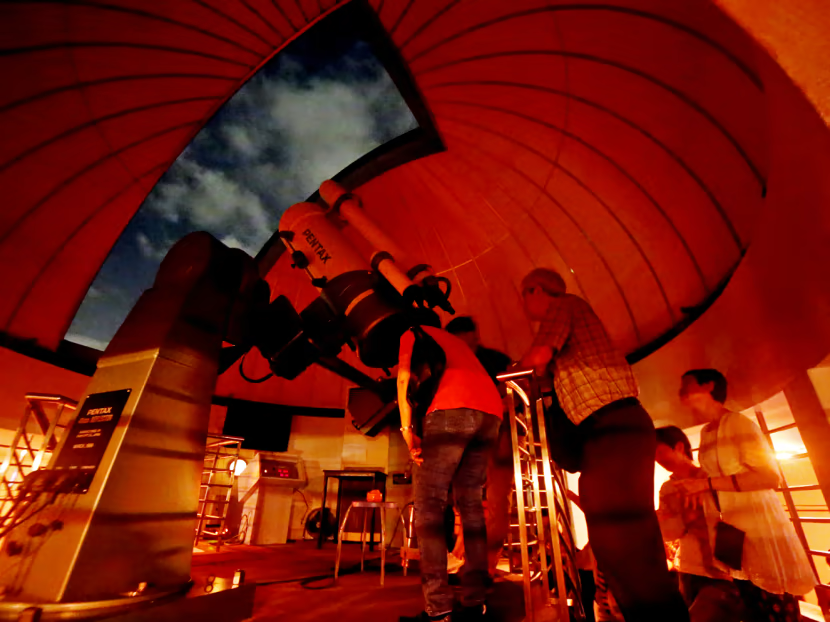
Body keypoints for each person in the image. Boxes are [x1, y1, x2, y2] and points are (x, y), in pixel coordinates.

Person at [517, 267, 689, 621]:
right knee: (613, 543)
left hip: (614, 424)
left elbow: (537, 358)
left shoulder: (565, 305)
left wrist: (511, 374)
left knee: (625, 537)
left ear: (536, 290)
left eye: (524, 295)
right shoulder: (570, 356)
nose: (524, 304)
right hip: (603, 432)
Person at [673, 369, 816, 622]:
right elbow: (712, 483)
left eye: (687, 385)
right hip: (731, 529)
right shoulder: (706, 433)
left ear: (709, 386)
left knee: (774, 606)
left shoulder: (738, 423)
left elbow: (770, 477)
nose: (680, 391)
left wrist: (706, 484)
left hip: (759, 527)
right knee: (751, 608)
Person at [398, 321, 504, 622]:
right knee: (470, 506)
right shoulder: (451, 342)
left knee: (429, 507)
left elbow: (404, 378)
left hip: (452, 411)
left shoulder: (411, 331)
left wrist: (407, 429)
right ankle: (475, 603)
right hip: (490, 414)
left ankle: (439, 610)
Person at [445, 316, 512, 578]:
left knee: (496, 501)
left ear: (474, 337)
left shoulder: (495, 360)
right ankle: (466, 557)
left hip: (497, 434)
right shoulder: (449, 364)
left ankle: (486, 564)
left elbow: (511, 394)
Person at [655, 426, 742, 621]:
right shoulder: (667, 488)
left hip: (723, 571)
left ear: (678, 446)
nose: (657, 459)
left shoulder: (713, 477)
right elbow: (669, 534)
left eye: (659, 451)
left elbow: (738, 518)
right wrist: (683, 519)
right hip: (688, 568)